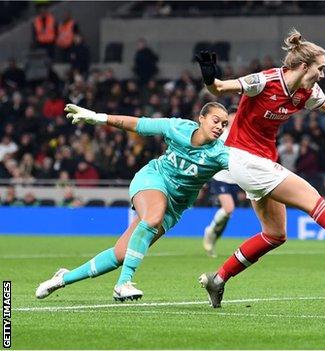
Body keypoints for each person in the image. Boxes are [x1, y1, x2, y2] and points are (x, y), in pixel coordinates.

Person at [195, 29, 325, 309]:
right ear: (304, 66)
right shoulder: (265, 81)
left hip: (261, 162)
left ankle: (218, 280)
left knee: (274, 234)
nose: (322, 74)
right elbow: (220, 89)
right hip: (244, 158)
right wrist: (210, 77)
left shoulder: (307, 91)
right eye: (320, 68)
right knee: (315, 203)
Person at [35, 101, 229, 301]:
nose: (219, 127)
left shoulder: (221, 154)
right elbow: (139, 124)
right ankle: (123, 284)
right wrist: (98, 117)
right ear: (201, 118)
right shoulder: (176, 127)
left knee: (121, 254)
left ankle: (62, 279)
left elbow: (247, 170)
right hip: (153, 179)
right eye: (215, 121)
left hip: (175, 206)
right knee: (153, 217)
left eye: (224, 124)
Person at [202, 107, 241, 257]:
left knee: (227, 215)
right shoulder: (220, 134)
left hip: (235, 179)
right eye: (232, 115)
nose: (234, 118)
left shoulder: (242, 134)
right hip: (220, 177)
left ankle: (213, 239)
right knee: (229, 208)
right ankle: (209, 231)